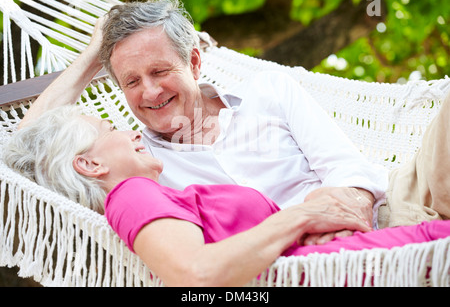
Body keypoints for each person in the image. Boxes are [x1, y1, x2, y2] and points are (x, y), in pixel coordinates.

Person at [18, 0, 449, 244]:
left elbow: (342, 162)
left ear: (194, 61)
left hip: (391, 201)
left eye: (160, 71)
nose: (149, 92)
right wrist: (94, 54)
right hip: (312, 254)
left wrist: (353, 204)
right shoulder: (138, 164)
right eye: (131, 80)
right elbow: (23, 154)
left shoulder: (270, 90)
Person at [4, 105, 449, 286]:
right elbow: (196, 274)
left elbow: (22, 150)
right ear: (90, 165)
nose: (126, 130)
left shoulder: (154, 197)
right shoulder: (129, 195)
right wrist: (304, 216)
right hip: (350, 267)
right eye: (108, 130)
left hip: (348, 257)